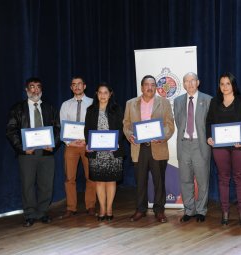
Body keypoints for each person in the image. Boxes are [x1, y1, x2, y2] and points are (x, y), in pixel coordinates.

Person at [6, 77, 61, 227]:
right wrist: (22, 147)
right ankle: (30, 214)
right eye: (32, 87)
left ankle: (42, 212)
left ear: (41, 90)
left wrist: (54, 145)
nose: (35, 90)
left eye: (38, 87)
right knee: (28, 184)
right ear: (26, 89)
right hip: (27, 154)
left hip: (46, 153)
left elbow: (58, 128)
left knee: (46, 184)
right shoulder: (18, 108)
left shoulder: (49, 107)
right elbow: (10, 131)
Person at [123, 75, 174, 223]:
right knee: (140, 181)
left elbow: (170, 124)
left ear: (156, 87)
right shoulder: (130, 103)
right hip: (139, 148)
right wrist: (130, 135)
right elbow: (126, 124)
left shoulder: (164, 103)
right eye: (146, 84)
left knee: (159, 181)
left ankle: (159, 210)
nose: (149, 87)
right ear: (141, 87)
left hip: (157, 146)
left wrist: (161, 136)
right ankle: (140, 210)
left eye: (152, 85)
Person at [206, 72, 241, 226]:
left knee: (239, 177)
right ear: (219, 86)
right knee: (223, 178)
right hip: (220, 147)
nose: (225, 87)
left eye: (228, 83)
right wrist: (209, 137)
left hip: (239, 147)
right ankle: (225, 212)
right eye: (222, 84)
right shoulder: (214, 102)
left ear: (233, 85)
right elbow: (209, 122)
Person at [174, 72, 212, 223]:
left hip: (200, 144)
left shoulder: (207, 100)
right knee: (185, 179)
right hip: (184, 144)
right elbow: (179, 122)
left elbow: (209, 123)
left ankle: (201, 210)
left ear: (198, 82)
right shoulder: (177, 101)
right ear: (183, 84)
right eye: (186, 81)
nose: (189, 84)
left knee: (203, 180)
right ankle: (189, 210)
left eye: (192, 81)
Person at [84, 83, 124, 221]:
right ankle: (101, 208)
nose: (102, 95)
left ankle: (109, 208)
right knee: (99, 181)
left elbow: (121, 128)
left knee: (111, 181)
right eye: (100, 92)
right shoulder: (91, 110)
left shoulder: (116, 109)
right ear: (96, 94)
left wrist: (116, 143)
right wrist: (88, 143)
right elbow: (87, 129)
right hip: (97, 151)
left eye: (105, 92)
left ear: (110, 94)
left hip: (113, 150)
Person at [59, 77, 96, 218]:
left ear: (84, 86)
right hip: (71, 146)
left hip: (88, 145)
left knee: (91, 177)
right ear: (71, 88)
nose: (77, 87)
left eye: (79, 84)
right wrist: (69, 142)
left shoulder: (93, 103)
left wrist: (90, 142)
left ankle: (91, 206)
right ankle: (71, 208)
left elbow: (95, 124)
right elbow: (62, 126)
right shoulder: (65, 105)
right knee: (69, 178)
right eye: (74, 84)